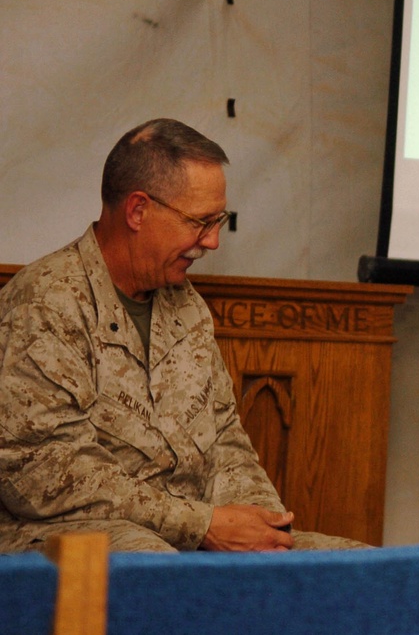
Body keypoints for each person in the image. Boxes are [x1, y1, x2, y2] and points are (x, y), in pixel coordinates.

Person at [0, 118, 366, 552]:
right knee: (150, 564)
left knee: (349, 564)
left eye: (219, 221)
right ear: (138, 210)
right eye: (201, 221)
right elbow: (40, 469)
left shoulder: (186, 305)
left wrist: (263, 529)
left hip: (188, 536)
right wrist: (201, 524)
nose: (212, 241)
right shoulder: (47, 302)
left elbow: (225, 437)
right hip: (64, 538)